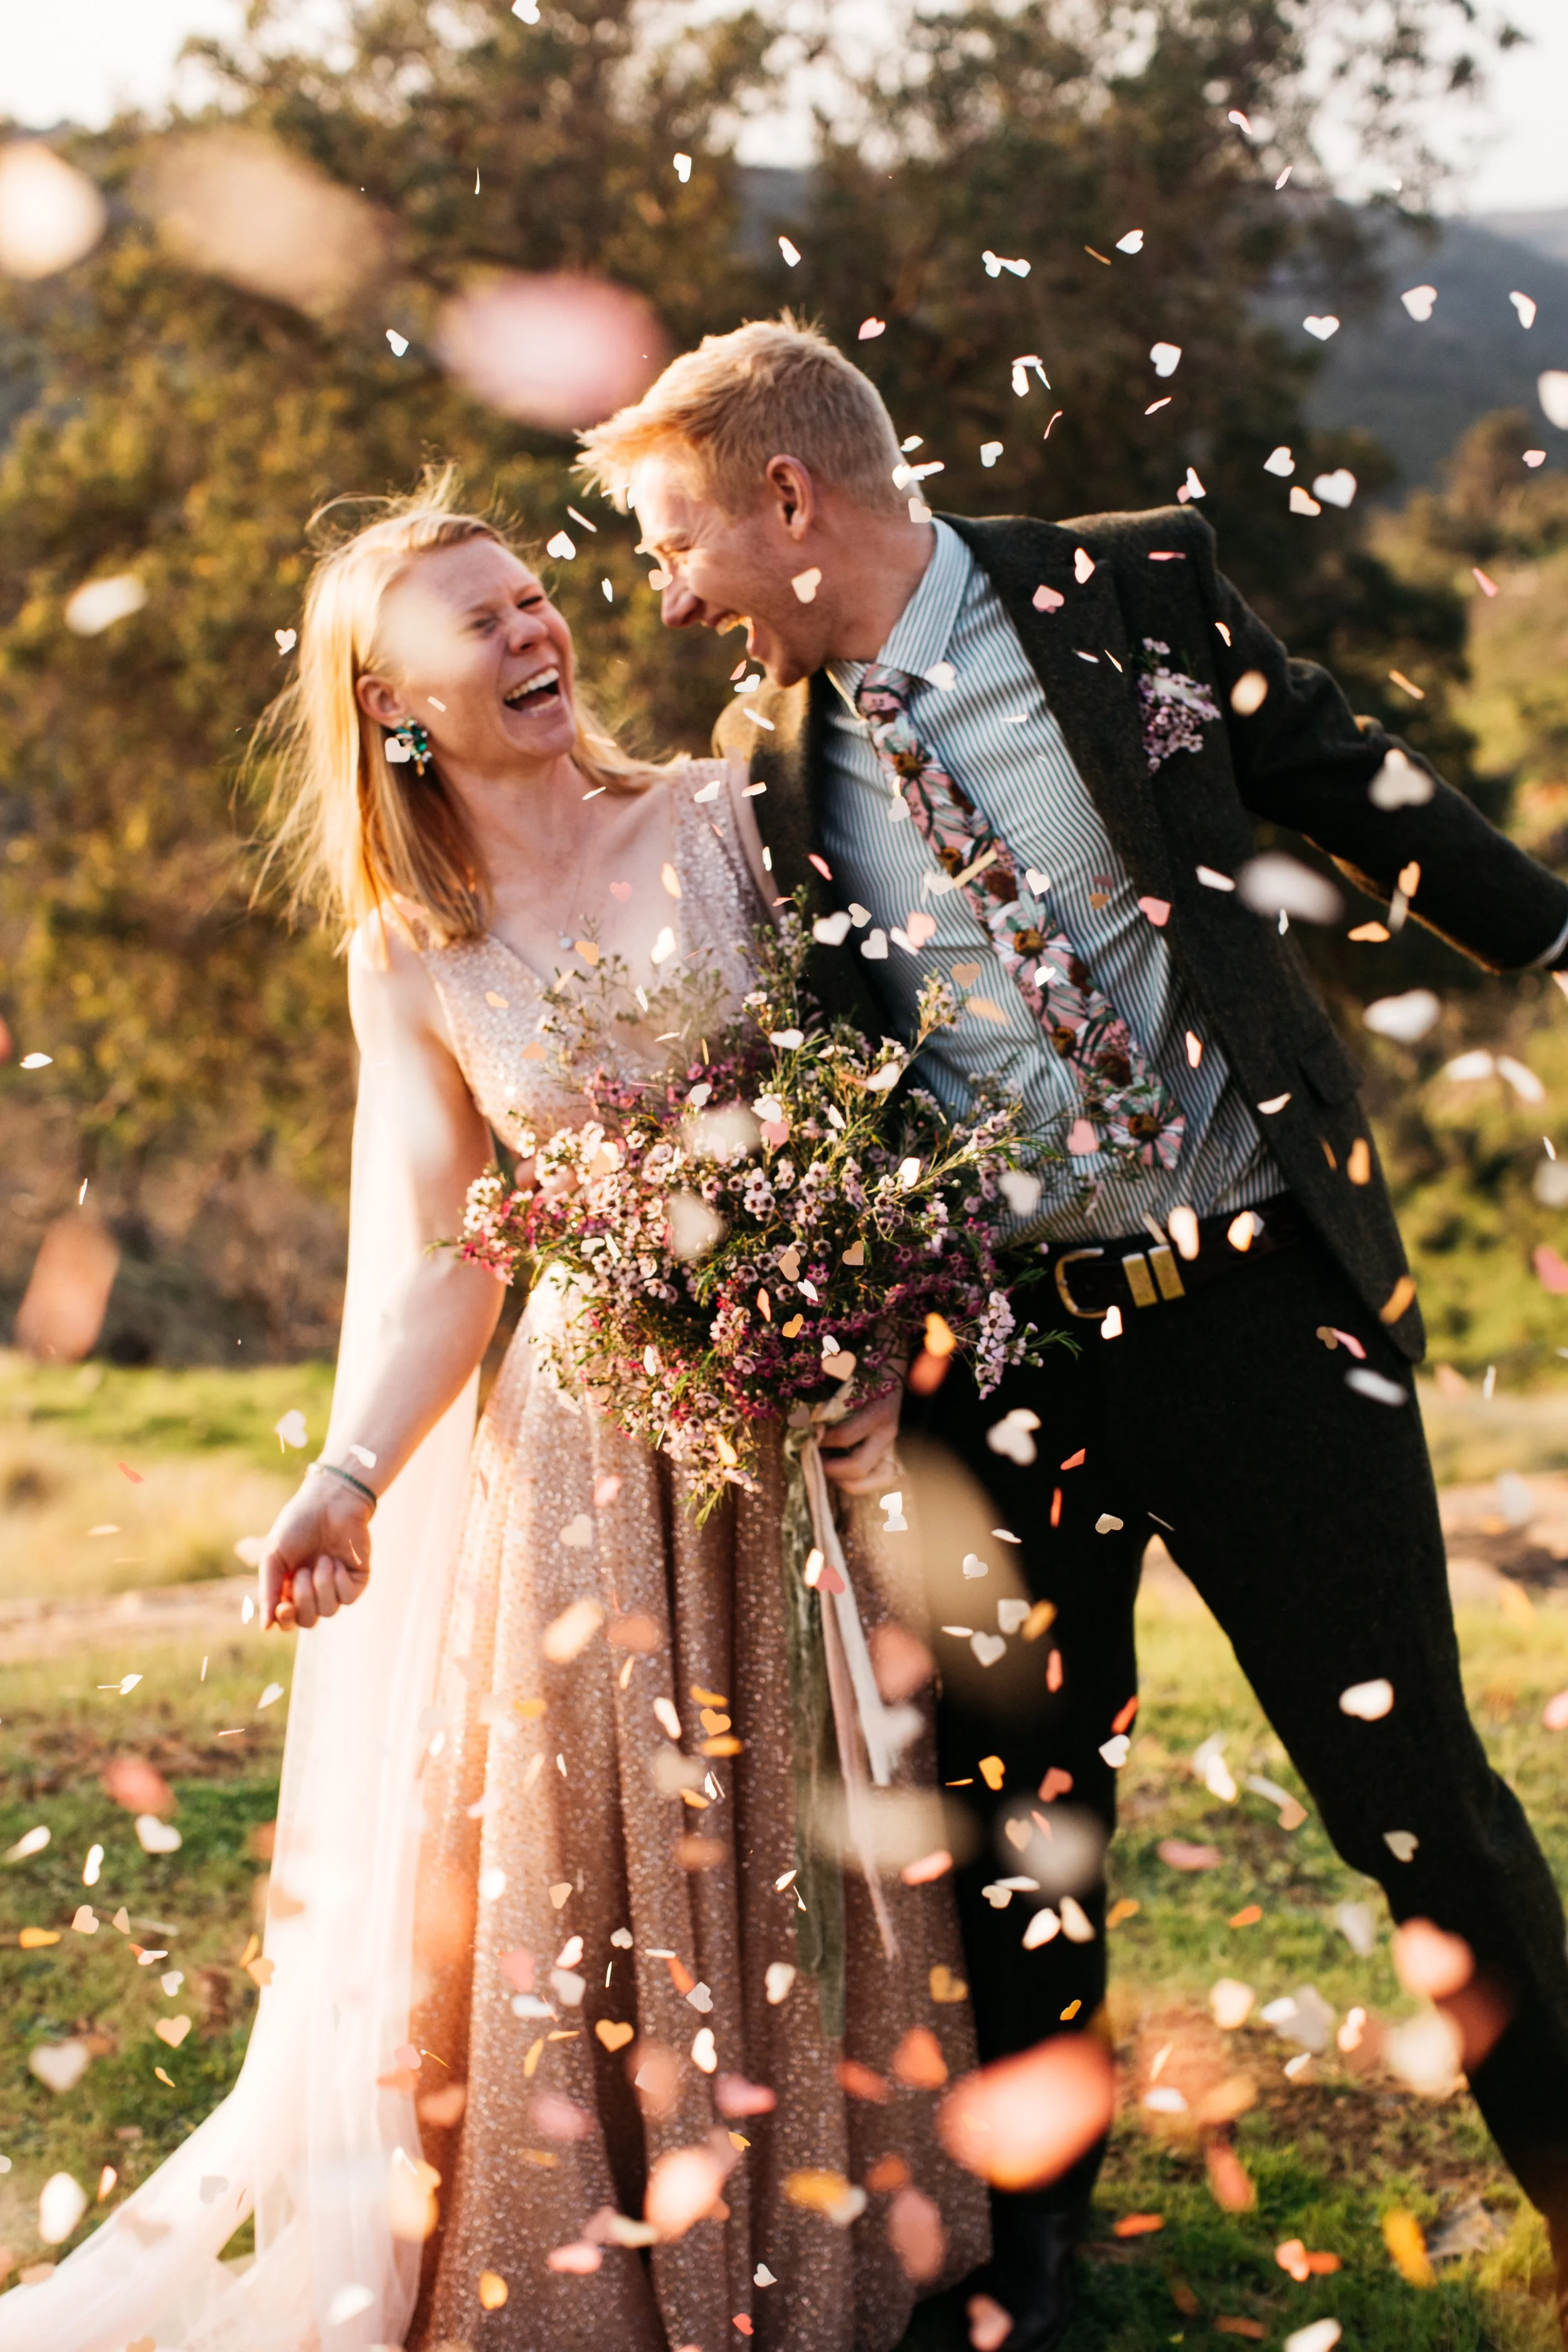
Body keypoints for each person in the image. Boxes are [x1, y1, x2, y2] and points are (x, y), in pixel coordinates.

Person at [579, 316, 1568, 2351]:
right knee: (1021, 1826)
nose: (665, 596)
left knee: (1418, 1801)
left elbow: (1340, 771)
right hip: (995, 1366)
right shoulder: (754, 778)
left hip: (1268, 1315)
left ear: (789, 501)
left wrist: (1552, 933)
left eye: (678, 543)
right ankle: (1025, 2280)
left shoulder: (1128, 587)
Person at [0, 475, 987, 2352]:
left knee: (800, 1833)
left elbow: (896, 1080)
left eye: (537, 598)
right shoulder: (411, 946)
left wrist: (870, 1304)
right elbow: (452, 1249)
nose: (536, 631)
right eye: (482, 622)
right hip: (588, 1449)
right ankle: (614, 2275)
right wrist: (348, 1468)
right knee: (622, 1866)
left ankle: (824, 2269)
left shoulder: (730, 811)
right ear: (392, 704)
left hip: (790, 1433)